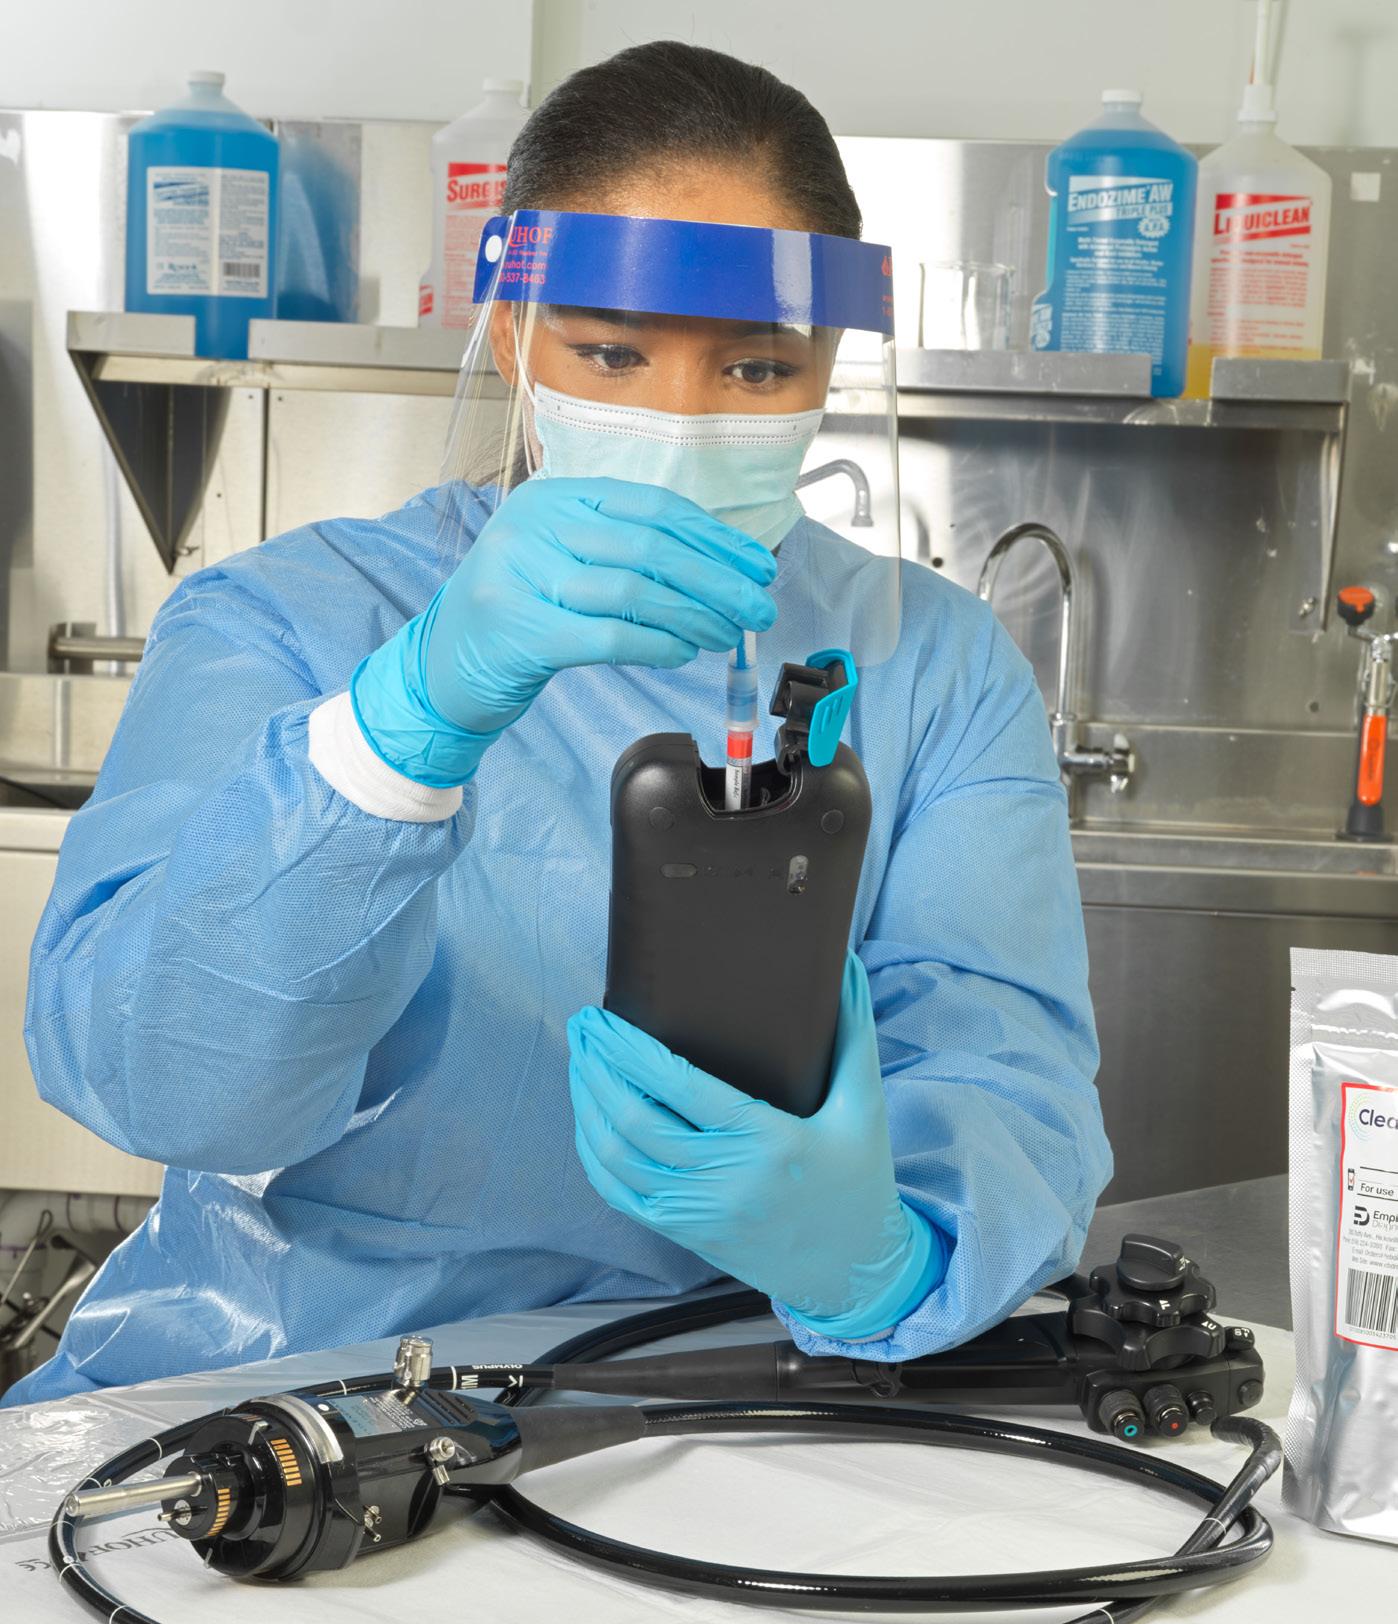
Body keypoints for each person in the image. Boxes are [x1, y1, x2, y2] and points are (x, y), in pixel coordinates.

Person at [7, 42, 1111, 1408]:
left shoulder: (930, 663)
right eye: (611, 352)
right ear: (512, 336)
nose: (679, 421)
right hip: (282, 1399)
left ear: (828, 361)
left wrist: (880, 1257)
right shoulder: (285, 620)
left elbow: (1009, 1076)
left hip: (724, 1407)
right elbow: (161, 1085)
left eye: (756, 367)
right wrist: (398, 729)